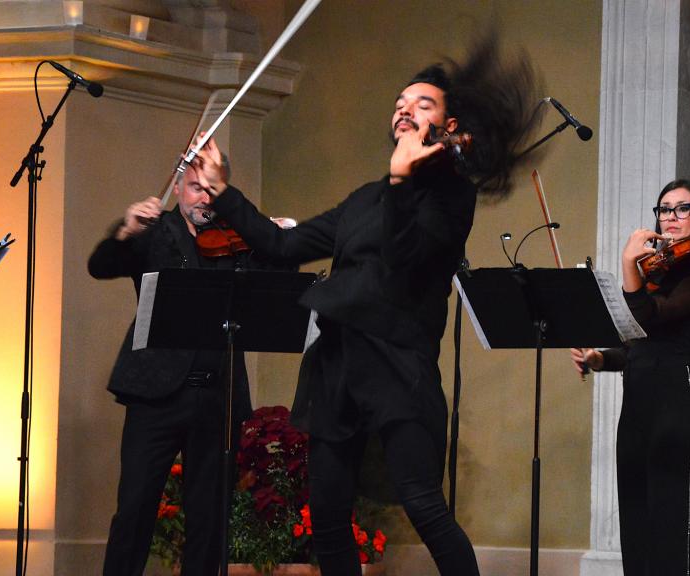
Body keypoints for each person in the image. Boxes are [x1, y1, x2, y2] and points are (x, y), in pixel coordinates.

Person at [184, 33, 541, 576]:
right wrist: (223, 190)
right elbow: (283, 245)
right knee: (327, 515)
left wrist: (401, 180)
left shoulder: (451, 196)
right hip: (338, 365)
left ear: (449, 126)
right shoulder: (364, 199)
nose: (404, 109)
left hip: (398, 365)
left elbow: (402, 259)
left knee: (425, 507)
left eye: (422, 103)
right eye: (400, 102)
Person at [88, 163, 285, 576]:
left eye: (212, 190)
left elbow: (281, 273)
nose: (203, 199)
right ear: (177, 188)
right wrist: (125, 230)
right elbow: (102, 264)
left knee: (209, 518)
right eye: (195, 188)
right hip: (154, 394)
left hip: (218, 396)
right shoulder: (154, 231)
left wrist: (278, 237)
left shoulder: (239, 237)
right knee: (135, 509)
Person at [571, 179, 690, 576]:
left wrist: (628, 267)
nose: (670, 217)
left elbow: (651, 317)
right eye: (663, 209)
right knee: (637, 518)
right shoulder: (660, 270)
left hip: (681, 401)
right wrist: (597, 358)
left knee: (676, 522)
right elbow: (639, 344)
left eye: (682, 208)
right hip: (639, 403)